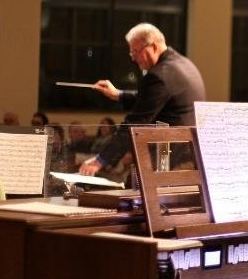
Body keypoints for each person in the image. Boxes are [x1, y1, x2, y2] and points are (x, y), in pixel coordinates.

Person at [79, 23, 206, 176]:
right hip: (190, 156)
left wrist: (100, 160)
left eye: (135, 51)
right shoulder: (183, 63)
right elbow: (153, 99)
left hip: (171, 161)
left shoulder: (159, 75)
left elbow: (134, 123)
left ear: (152, 47)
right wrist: (118, 94)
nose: (133, 58)